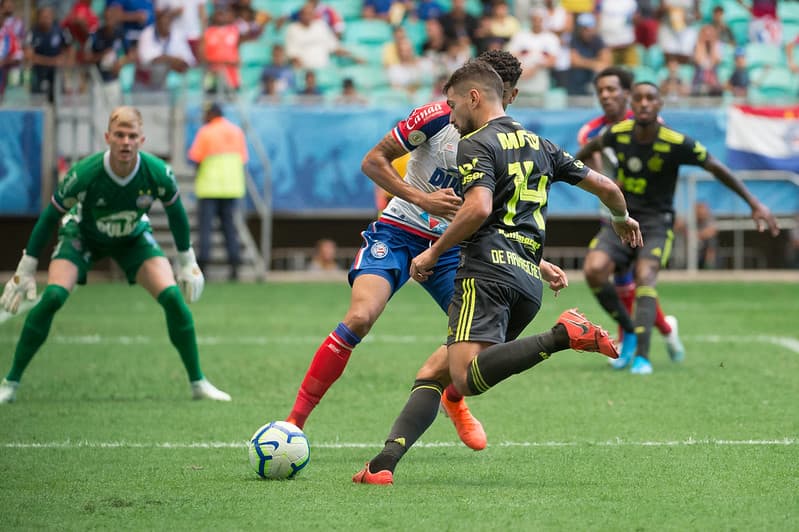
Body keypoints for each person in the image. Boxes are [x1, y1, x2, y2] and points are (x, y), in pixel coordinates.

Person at [353, 59, 642, 485]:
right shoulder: (542, 145)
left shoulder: (475, 143)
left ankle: (561, 336)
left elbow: (480, 208)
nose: (451, 117)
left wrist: (433, 253)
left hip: (485, 274)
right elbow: (608, 187)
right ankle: (382, 466)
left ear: (474, 97)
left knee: (464, 379)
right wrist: (621, 217)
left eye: (453, 106)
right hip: (526, 281)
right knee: (432, 373)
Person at [285, 50, 527, 451]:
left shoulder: (511, 142)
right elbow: (374, 162)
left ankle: (453, 399)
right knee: (360, 317)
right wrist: (423, 199)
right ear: (472, 91)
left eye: (505, 93)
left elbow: (504, 215)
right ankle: (293, 423)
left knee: (484, 336)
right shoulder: (435, 117)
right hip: (399, 232)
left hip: (453, 249)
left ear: (511, 96)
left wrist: (540, 261)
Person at [0, 106, 230, 404]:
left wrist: (187, 262)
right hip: (83, 236)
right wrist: (26, 269)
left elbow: (176, 214)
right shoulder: (85, 173)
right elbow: (48, 217)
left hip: (132, 238)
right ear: (108, 137)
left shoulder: (157, 172)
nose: (125, 141)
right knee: (54, 296)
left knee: (174, 298)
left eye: (132, 135)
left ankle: (198, 382)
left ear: (142, 140)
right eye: (119, 135)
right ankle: (11, 382)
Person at [577, 82, 780, 374]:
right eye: (639, 99)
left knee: (644, 276)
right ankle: (629, 331)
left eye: (651, 98)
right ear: (631, 104)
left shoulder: (675, 141)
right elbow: (583, 153)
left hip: (657, 222)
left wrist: (754, 203)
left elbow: (716, 167)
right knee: (594, 269)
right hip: (623, 219)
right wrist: (599, 182)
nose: (645, 103)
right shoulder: (616, 134)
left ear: (660, 104)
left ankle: (643, 358)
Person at [577, 66, 684, 366]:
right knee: (621, 280)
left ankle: (650, 332)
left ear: (627, 93)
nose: (606, 96)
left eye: (612, 90)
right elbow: (590, 161)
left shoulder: (648, 124)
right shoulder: (591, 131)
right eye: (601, 92)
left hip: (648, 216)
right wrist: (608, 186)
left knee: (639, 281)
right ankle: (636, 334)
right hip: (611, 214)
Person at [187, 102, 247, 281]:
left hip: (209, 187)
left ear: (212, 114)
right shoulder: (236, 131)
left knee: (205, 229)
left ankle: (203, 265)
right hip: (231, 188)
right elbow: (242, 159)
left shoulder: (206, 132)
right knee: (229, 227)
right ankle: (235, 264)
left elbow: (196, 158)